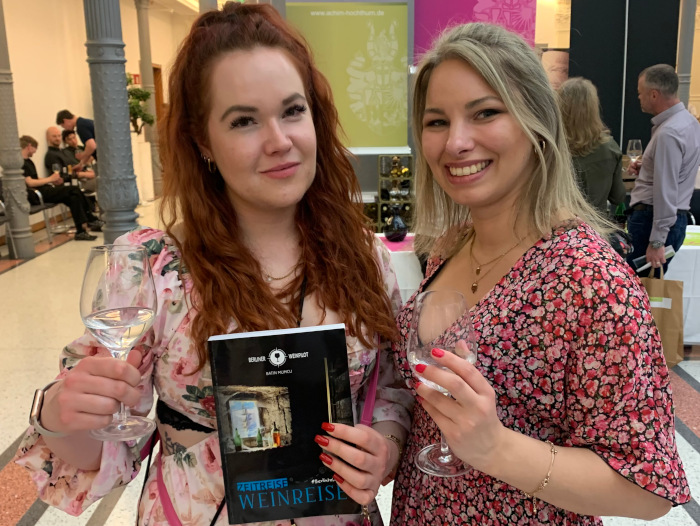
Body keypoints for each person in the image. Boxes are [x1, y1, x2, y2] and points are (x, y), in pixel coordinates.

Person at [16, 4, 411, 526]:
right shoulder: (152, 267)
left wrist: (384, 448)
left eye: (293, 111)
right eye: (244, 121)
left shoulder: (362, 256)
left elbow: (391, 390)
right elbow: (101, 449)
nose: (279, 141)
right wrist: (61, 413)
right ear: (203, 140)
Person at [390, 22, 689, 525]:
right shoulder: (451, 246)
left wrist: (497, 448)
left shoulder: (590, 279)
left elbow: (650, 488)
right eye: (436, 121)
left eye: (485, 113)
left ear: (536, 122)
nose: (455, 142)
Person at [626, 64, 700, 273]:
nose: (639, 98)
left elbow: (666, 189)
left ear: (654, 94)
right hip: (668, 219)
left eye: (640, 93)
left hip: (652, 221)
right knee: (645, 284)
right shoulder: (689, 123)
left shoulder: (669, 132)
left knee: (636, 286)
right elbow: (680, 170)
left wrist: (657, 240)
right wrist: (649, 168)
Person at [557, 77, 626, 218]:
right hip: (597, 226)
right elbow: (618, 197)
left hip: (561, 226)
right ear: (594, 108)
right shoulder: (610, 148)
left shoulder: (551, 149)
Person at [20, 135, 100, 240]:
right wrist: (50, 179)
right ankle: (91, 218)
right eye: (35, 148)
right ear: (29, 146)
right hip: (35, 194)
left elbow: (35, 178)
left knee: (73, 197)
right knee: (74, 189)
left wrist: (51, 179)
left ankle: (81, 230)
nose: (35, 152)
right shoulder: (20, 163)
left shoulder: (28, 161)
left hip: (42, 189)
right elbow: (30, 183)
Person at [61, 129, 98, 194]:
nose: (73, 141)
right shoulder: (66, 153)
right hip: (81, 179)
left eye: (74, 137)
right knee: (100, 182)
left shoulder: (82, 148)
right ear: (65, 142)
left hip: (90, 173)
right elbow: (75, 168)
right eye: (69, 139)